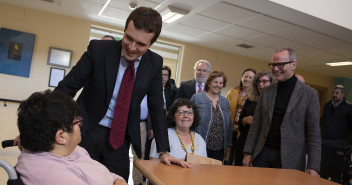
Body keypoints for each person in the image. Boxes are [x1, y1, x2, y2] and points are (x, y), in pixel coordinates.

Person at [55, 7, 186, 181]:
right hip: (85, 130)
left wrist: (163, 151)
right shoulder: (99, 50)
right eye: (128, 38)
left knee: (118, 181)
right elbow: (66, 88)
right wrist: (43, 126)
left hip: (120, 137)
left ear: (151, 44)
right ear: (124, 31)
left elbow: (156, 108)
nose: (132, 47)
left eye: (140, 44)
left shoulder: (154, 63)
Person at [15, 90, 127, 185]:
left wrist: (116, 180)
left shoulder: (73, 150)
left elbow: (102, 173)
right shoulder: (53, 176)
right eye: (75, 121)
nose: (79, 123)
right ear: (61, 136)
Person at [243, 48, 321, 176]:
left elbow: (314, 134)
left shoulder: (310, 94)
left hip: (291, 159)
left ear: (293, 65)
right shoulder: (267, 91)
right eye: (273, 64)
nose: (275, 68)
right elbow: (256, 125)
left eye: (280, 64)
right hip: (263, 154)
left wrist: (314, 166)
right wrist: (248, 152)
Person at [234, 70, 274, 166]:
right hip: (244, 142)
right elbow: (240, 124)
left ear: (271, 83)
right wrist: (245, 120)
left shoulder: (274, 102)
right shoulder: (250, 100)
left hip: (262, 146)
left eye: (264, 81)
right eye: (258, 82)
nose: (261, 84)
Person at [191, 71, 232, 161]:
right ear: (208, 83)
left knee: (215, 173)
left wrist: (228, 144)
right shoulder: (197, 98)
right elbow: (190, 120)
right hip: (200, 144)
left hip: (219, 148)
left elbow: (229, 124)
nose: (218, 85)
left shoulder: (225, 102)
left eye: (221, 83)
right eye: (215, 82)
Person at [150, 98, 206, 163]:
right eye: (181, 112)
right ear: (173, 117)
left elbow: (205, 165)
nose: (186, 115)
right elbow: (152, 163)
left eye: (190, 112)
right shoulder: (164, 137)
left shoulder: (200, 139)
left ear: (194, 117)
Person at [320, 85, 352, 181]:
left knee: (336, 171)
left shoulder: (349, 108)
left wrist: (348, 142)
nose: (334, 95)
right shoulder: (327, 105)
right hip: (325, 141)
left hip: (339, 143)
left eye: (337, 93)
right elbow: (323, 121)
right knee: (323, 168)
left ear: (342, 95)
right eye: (333, 93)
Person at [226, 68, 256, 165]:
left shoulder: (255, 96)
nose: (247, 79)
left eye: (250, 77)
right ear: (241, 77)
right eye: (245, 76)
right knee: (227, 156)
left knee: (239, 157)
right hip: (230, 129)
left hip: (243, 131)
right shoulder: (232, 92)